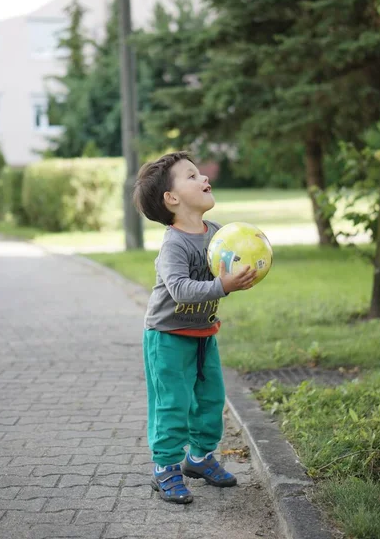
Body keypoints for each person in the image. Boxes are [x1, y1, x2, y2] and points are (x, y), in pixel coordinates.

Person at [133, 151, 257, 504]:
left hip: (204, 334)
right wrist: (224, 286)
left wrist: (248, 266)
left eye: (201, 173)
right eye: (191, 176)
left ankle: (199, 459)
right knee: (172, 403)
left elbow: (229, 266)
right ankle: (165, 468)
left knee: (210, 399)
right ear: (171, 199)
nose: (203, 178)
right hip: (167, 337)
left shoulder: (217, 235)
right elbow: (180, 289)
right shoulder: (174, 244)